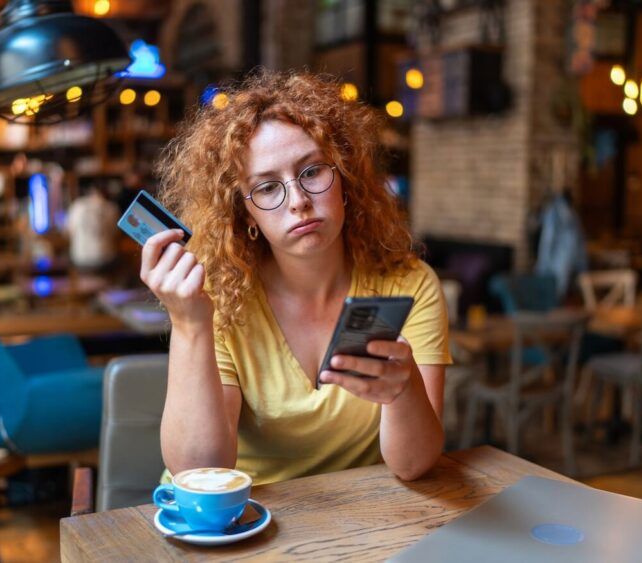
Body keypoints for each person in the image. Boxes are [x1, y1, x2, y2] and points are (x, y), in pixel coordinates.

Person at [141, 71, 451, 485]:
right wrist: (189, 323)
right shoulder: (219, 295)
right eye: (267, 188)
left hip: (350, 523)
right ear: (244, 212)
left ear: (345, 179)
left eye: (312, 172)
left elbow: (415, 465)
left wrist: (403, 387)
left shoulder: (409, 285)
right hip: (238, 522)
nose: (299, 202)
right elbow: (201, 470)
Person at [65, 186, 120, 271]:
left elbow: (68, 232)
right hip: (105, 260)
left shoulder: (77, 206)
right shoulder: (112, 208)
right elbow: (115, 234)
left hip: (80, 260)